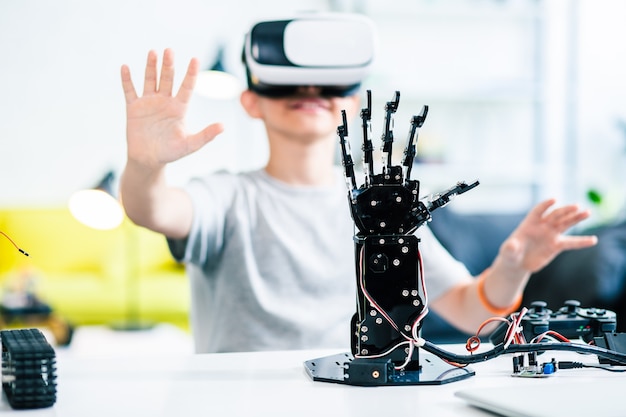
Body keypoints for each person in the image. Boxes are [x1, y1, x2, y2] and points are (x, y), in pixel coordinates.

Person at [119, 14, 597, 353]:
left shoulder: (382, 208)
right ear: (251, 102)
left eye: (329, 86)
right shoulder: (227, 197)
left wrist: (514, 265)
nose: (310, 93)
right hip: (245, 399)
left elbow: (471, 313)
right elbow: (154, 209)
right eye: (287, 85)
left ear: (350, 103)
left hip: (355, 397)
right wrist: (145, 165)